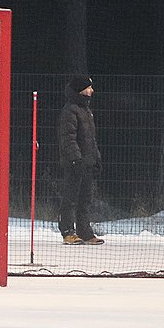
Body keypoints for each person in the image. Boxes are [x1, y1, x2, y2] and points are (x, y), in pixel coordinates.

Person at [56, 75, 103, 245]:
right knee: (71, 197)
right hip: (75, 163)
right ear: (81, 89)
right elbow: (68, 138)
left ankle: (84, 231)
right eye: (89, 87)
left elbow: (90, 139)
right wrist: (76, 159)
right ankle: (67, 230)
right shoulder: (70, 110)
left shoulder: (86, 111)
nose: (92, 91)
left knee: (85, 198)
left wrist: (96, 158)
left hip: (87, 163)